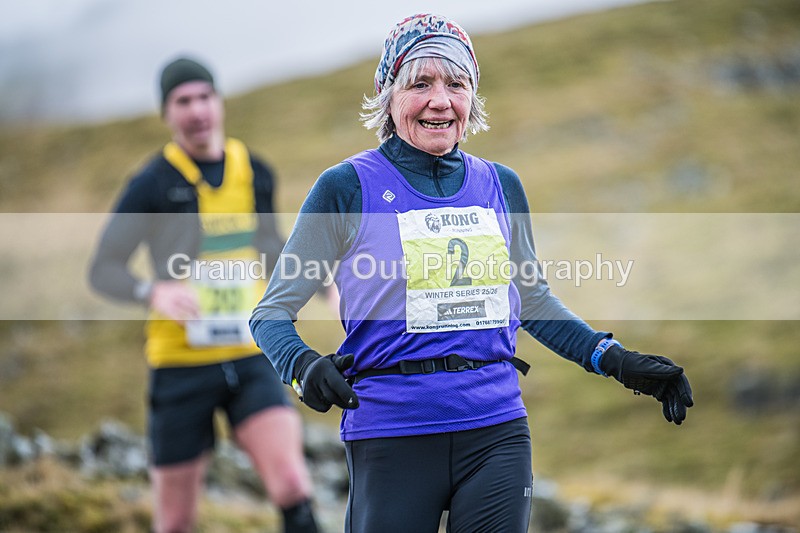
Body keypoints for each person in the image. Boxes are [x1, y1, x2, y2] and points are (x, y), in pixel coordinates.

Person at [250, 14, 693, 533]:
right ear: (388, 96)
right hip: (392, 431)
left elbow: (532, 301)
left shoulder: (501, 185)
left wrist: (615, 359)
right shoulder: (346, 187)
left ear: (472, 98)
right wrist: (303, 366)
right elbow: (271, 313)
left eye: (456, 84)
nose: (440, 100)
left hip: (497, 430)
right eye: (421, 84)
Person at [89, 57, 319, 533]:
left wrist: (322, 281)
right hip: (179, 364)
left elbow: (272, 246)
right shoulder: (151, 183)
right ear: (167, 114)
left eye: (204, 97)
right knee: (175, 522)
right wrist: (151, 291)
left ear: (219, 101)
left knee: (294, 485)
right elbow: (102, 269)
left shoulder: (254, 170)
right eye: (183, 101)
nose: (197, 111)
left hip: (252, 354)